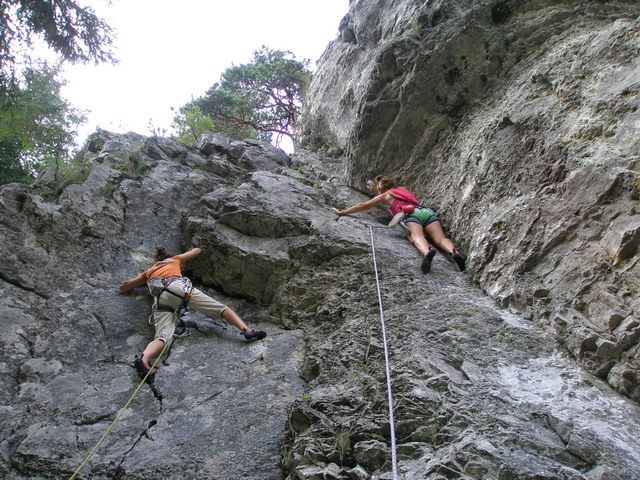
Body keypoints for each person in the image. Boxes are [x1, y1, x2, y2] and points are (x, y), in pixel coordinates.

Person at [119, 246, 267, 382]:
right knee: (221, 309)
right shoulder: (174, 259)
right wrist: (193, 250)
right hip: (177, 286)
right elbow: (196, 251)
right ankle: (247, 330)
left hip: (161, 298)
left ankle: (144, 360)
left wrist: (139, 280)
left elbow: (125, 287)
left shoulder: (149, 272)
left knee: (162, 337)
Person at [331, 175, 466, 273]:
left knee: (416, 236)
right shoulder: (404, 189)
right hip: (426, 212)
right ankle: (454, 253)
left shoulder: (385, 195)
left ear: (380, 190)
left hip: (410, 214)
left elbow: (363, 205)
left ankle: (426, 253)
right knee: (440, 238)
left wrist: (342, 212)